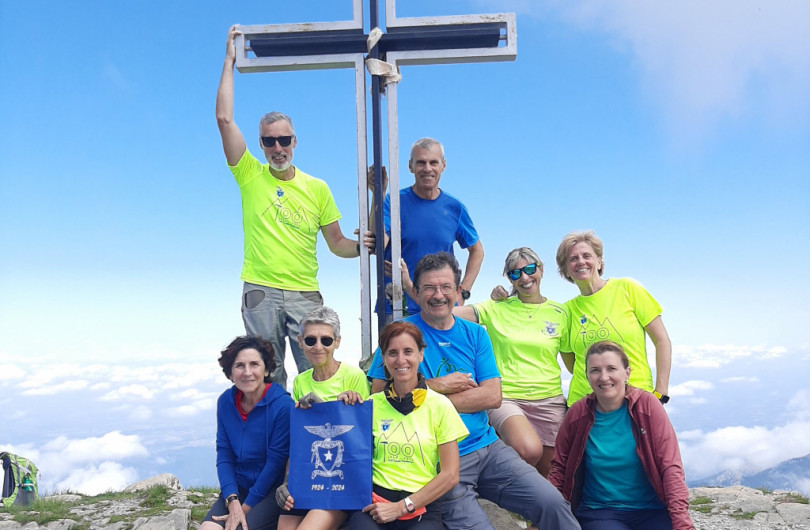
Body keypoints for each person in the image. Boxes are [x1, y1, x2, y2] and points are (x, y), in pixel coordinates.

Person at [367, 253, 580, 530]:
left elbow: (491, 396)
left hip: (488, 447)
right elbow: (382, 393)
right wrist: (438, 386)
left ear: (458, 291)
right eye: (429, 288)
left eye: (446, 287)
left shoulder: (475, 333)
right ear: (416, 293)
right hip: (441, 462)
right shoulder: (400, 334)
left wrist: (422, 394)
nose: (438, 295)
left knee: (552, 503)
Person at [216, 25, 374, 388]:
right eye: (269, 141)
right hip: (261, 290)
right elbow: (224, 120)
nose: (277, 147)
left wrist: (364, 247)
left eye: (283, 139)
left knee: (316, 374)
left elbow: (337, 244)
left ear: (295, 141)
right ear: (260, 144)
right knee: (266, 378)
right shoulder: (250, 175)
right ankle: (276, 443)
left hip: (304, 292)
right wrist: (229, 61)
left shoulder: (317, 188)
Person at [451, 247, 572, 477]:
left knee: (554, 478)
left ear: (541, 270)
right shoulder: (496, 306)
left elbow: (571, 364)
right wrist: (415, 291)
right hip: (507, 397)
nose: (524, 278)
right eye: (515, 274)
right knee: (528, 450)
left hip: (550, 400)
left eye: (529, 269)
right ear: (509, 279)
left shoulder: (561, 312)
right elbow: (449, 314)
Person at [549, 341, 693, 530]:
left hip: (653, 510)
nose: (604, 377)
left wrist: (682, 523)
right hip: (600, 512)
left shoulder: (647, 407)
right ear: (587, 376)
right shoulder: (578, 414)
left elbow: (670, 466)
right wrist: (545, 518)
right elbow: (560, 467)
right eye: (595, 370)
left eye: (611, 368)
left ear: (627, 373)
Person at [346, 321, 468, 529]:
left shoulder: (440, 405)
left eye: (408, 351)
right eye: (392, 353)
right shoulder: (370, 405)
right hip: (373, 504)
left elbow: (450, 475)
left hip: (420, 506)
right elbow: (340, 444)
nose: (400, 360)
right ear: (383, 359)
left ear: (421, 354)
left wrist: (402, 507)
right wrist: (338, 406)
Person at [369, 138, 483, 320]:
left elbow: (477, 251)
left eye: (433, 162)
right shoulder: (394, 202)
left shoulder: (454, 208)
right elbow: (378, 245)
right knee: (396, 349)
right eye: (421, 162)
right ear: (410, 166)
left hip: (441, 305)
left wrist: (464, 292)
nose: (427, 169)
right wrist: (378, 195)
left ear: (443, 166)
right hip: (398, 305)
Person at [278, 306, 370, 530]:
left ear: (337, 342)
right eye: (311, 340)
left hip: (342, 483)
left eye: (326, 340)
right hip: (310, 478)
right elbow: (300, 440)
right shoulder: (301, 381)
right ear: (300, 342)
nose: (318, 347)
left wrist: (344, 405)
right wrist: (287, 482)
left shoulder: (354, 377)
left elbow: (364, 435)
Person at [556, 231, 672, 405]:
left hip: (636, 399)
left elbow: (662, 340)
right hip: (584, 406)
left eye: (587, 255)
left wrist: (660, 393)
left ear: (599, 261)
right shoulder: (566, 311)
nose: (581, 261)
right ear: (565, 270)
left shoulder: (627, 288)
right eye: (573, 259)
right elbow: (573, 366)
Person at [201, 336, 293, 530]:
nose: (247, 372)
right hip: (238, 489)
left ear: (266, 369)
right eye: (239, 366)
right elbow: (224, 453)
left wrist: (245, 508)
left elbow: (275, 463)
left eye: (254, 364)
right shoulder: (225, 402)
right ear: (230, 372)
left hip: (269, 492)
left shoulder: (282, 406)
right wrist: (232, 500)